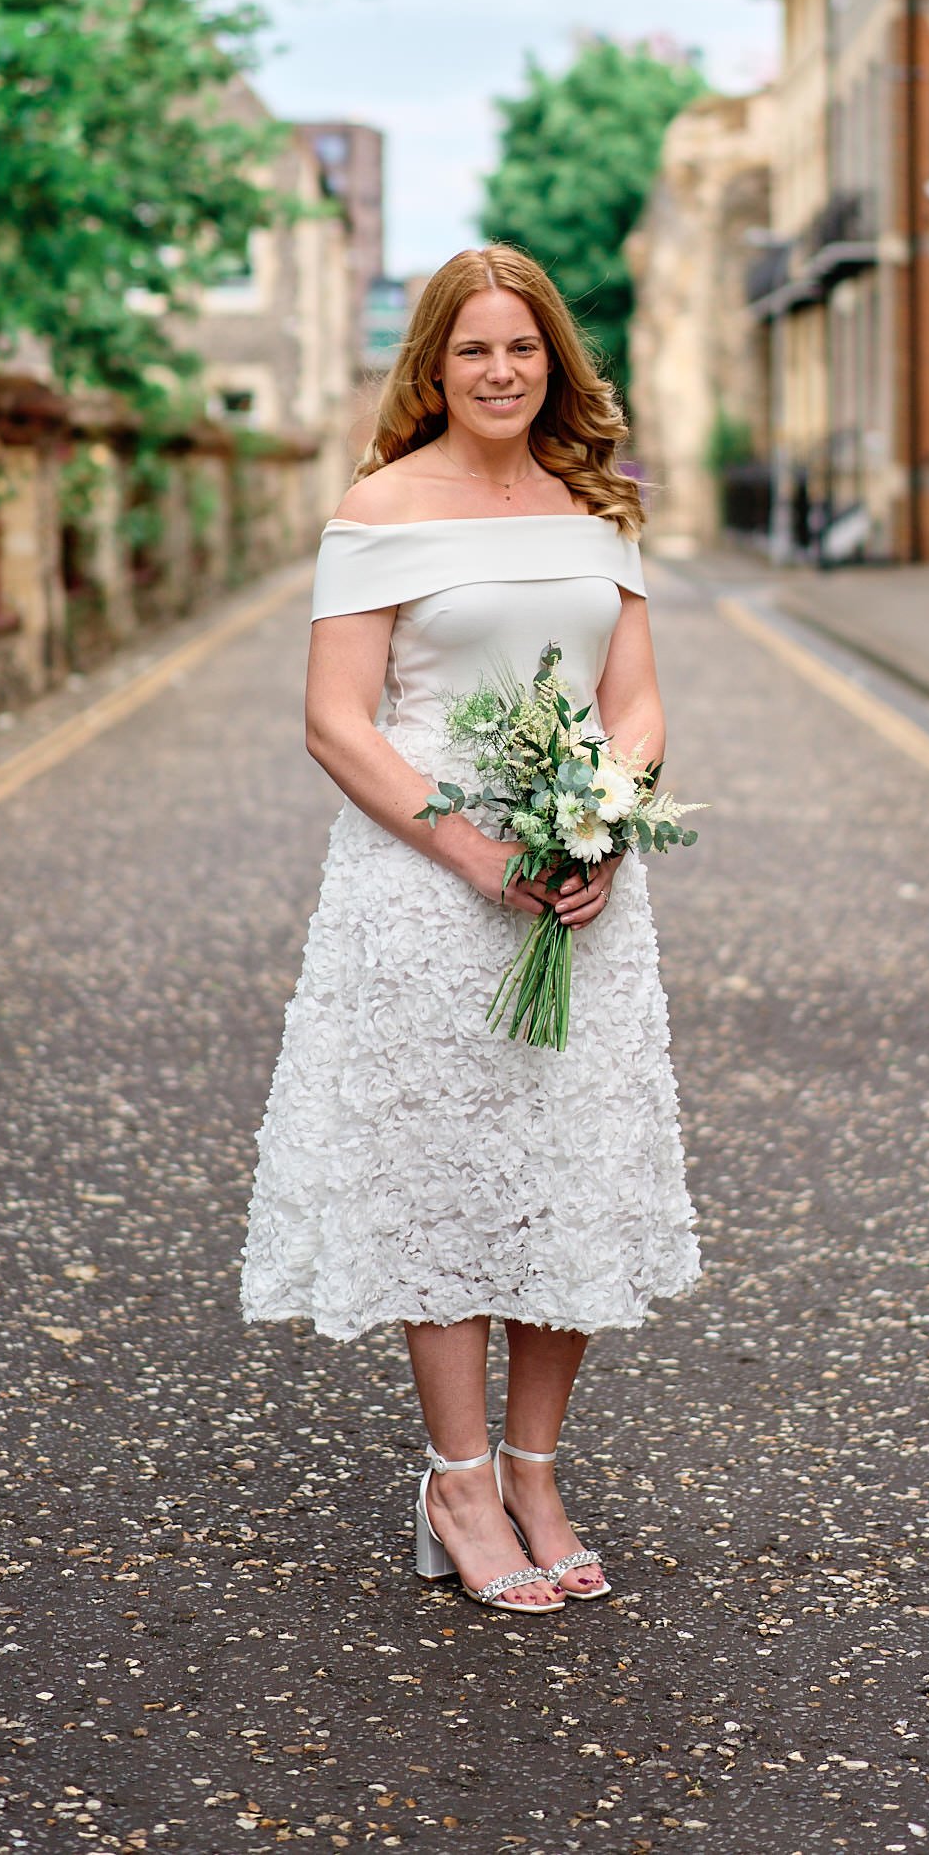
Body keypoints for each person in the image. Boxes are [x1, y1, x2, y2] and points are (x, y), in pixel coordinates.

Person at [240, 244, 700, 1614]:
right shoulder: (381, 509)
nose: (501, 373)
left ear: (553, 358)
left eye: (523, 348)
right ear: (433, 367)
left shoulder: (594, 504)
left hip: (578, 883)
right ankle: (454, 1480)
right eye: (472, 352)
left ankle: (535, 1470)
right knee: (445, 1176)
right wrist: (477, 852)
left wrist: (605, 823)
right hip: (425, 886)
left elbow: (639, 699)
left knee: (570, 1173)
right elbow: (337, 721)